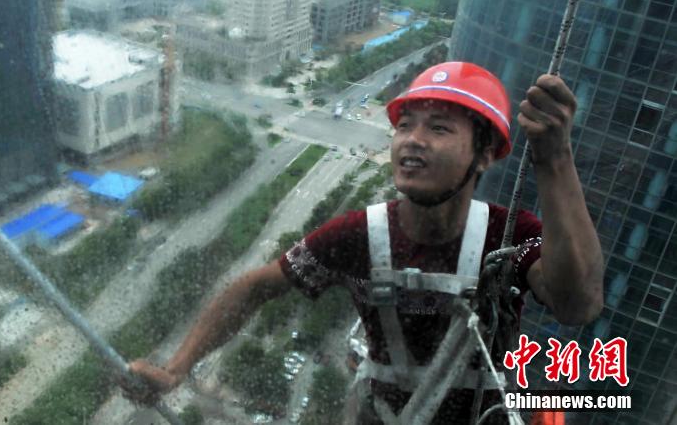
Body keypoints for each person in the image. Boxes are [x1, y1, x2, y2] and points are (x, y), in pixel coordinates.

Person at [125, 62, 604, 423]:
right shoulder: (358, 236)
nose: (412, 140)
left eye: (439, 128)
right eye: (404, 125)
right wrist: (176, 369)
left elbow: (578, 303)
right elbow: (253, 288)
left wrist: (554, 158)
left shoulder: (509, 236)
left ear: (484, 155)